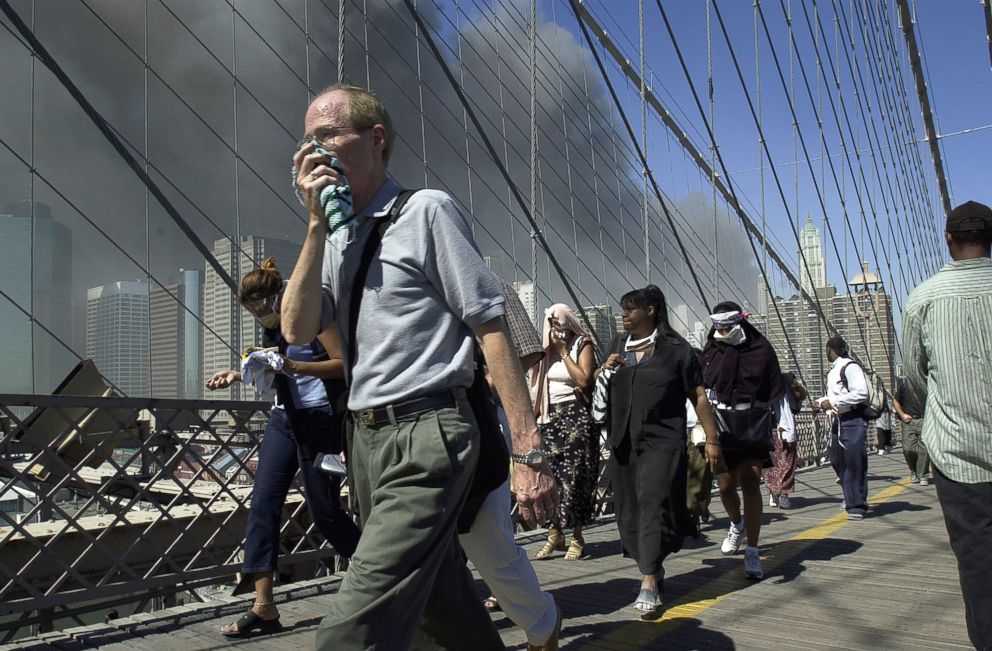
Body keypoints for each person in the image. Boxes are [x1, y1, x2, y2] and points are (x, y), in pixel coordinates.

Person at [281, 84, 558, 651]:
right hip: (364, 441)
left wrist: (528, 450)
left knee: (352, 625)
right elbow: (297, 330)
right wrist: (313, 228)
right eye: (307, 139)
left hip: (429, 432)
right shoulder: (335, 238)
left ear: (375, 139)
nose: (314, 149)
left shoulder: (427, 212)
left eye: (328, 134)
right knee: (439, 609)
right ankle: (542, 630)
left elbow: (491, 329)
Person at [209, 258, 360, 638]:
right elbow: (272, 366)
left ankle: (381, 574)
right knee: (263, 504)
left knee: (324, 511)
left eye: (263, 305)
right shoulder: (269, 327)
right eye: (251, 309)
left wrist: (294, 367)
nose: (259, 314)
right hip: (283, 420)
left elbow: (344, 365)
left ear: (278, 297)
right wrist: (237, 372)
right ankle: (264, 606)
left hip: (320, 421)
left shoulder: (310, 313)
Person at [902, 200, 992, 650]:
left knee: (977, 564)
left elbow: (915, 380)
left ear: (948, 238)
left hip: (958, 455)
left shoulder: (923, 298)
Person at [600, 286, 722, 613]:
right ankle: (653, 562)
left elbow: (698, 396)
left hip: (663, 441)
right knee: (628, 511)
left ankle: (649, 579)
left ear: (652, 310)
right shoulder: (617, 346)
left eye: (630, 309)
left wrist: (711, 439)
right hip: (622, 441)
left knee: (652, 502)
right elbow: (598, 387)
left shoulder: (676, 350)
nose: (623, 314)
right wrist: (604, 370)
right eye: (622, 309)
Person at [460, 276, 561, 648]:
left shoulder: (484, 280)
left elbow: (526, 349)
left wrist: (484, 382)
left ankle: (541, 623)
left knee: (488, 539)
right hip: (405, 428)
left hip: (478, 419)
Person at [702, 301, 784, 580]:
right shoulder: (712, 347)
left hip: (753, 421)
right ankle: (736, 524)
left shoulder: (760, 348)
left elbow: (774, 386)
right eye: (718, 326)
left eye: (726, 326)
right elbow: (703, 384)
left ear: (738, 322)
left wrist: (782, 425)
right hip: (722, 423)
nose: (721, 331)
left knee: (750, 480)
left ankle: (753, 549)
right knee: (724, 486)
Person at [528, 304, 598, 562]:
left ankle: (577, 537)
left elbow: (584, 380)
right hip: (549, 419)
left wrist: (564, 352)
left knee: (576, 478)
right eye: (551, 324)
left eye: (558, 323)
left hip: (575, 418)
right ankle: (554, 535)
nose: (555, 329)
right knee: (552, 481)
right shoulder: (545, 353)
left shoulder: (582, 344)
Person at [813, 336, 870, 520]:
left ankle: (856, 505)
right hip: (838, 420)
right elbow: (835, 394)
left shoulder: (850, 367)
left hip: (853, 419)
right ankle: (850, 494)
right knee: (837, 458)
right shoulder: (834, 370)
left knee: (854, 462)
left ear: (830, 350)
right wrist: (821, 402)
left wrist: (833, 402)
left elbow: (861, 393)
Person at [685, 349, 713, 527]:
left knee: (699, 478)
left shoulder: (706, 385)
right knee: (686, 477)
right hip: (679, 433)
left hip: (698, 434)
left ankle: (694, 513)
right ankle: (698, 509)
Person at [765, 373, 802, 510]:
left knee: (786, 461)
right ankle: (775, 491)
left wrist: (795, 385)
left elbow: (800, 396)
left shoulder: (785, 380)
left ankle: (784, 492)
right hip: (767, 426)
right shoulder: (760, 383)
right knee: (770, 463)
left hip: (783, 427)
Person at [892, 376, 929, 485]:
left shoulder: (928, 386)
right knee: (908, 449)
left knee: (925, 449)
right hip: (909, 420)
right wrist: (902, 414)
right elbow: (895, 400)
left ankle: (922, 475)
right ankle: (914, 470)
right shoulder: (905, 386)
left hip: (924, 419)